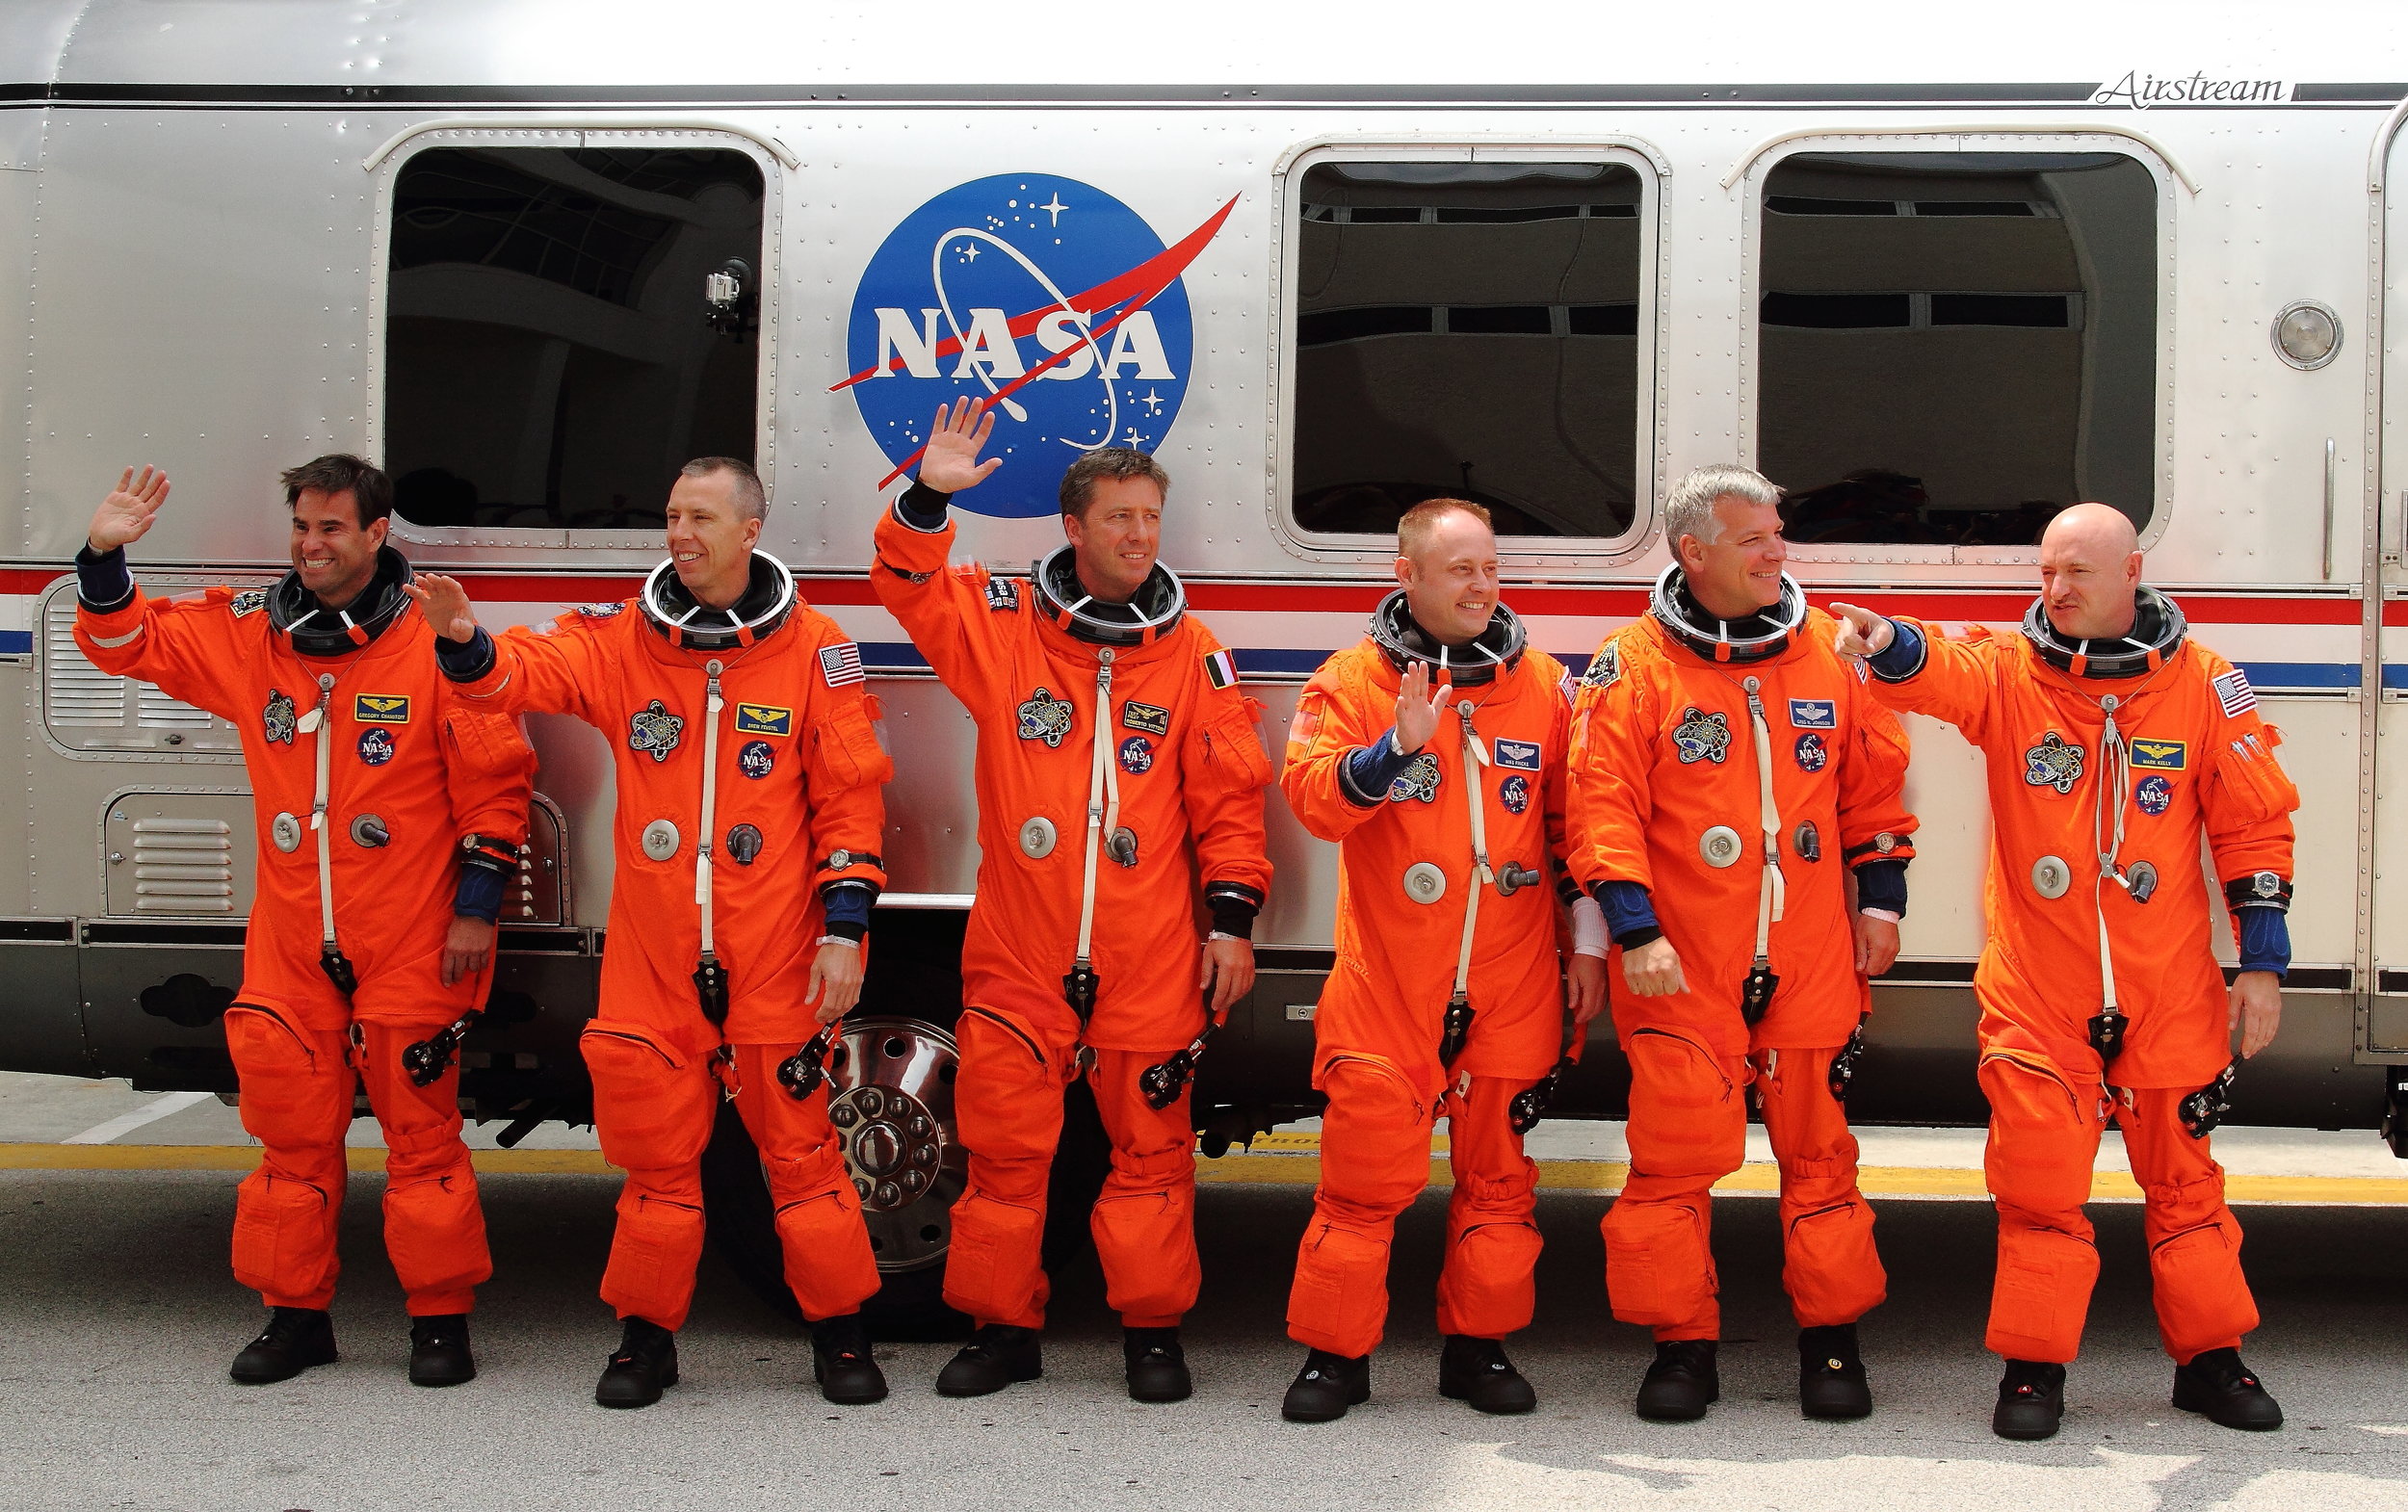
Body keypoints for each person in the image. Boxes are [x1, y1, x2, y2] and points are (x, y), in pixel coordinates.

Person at [408, 457, 891, 1409]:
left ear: (750, 528)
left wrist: (846, 930)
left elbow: (850, 799)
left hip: (776, 948)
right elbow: (527, 672)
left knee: (801, 1157)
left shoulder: (815, 649)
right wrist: (466, 641)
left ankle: (839, 1336)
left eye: (700, 516)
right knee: (655, 1161)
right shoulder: (627, 638)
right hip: (655, 954)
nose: (679, 532)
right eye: (671, 514)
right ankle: (645, 1340)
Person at [1831, 501, 2296, 1440]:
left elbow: (2253, 824)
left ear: (2130, 573)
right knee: (2039, 1185)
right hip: (2040, 990)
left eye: (2074, 573)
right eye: (2044, 572)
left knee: (2185, 1185)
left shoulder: (2206, 685)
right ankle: (2033, 1370)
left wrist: (2261, 965)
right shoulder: (2012, 674)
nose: (2053, 590)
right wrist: (1884, 640)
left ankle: (2211, 1362)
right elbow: (1936, 671)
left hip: (2166, 987)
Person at [75, 457, 535, 1388]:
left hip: (410, 930)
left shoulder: (435, 641)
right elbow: (130, 646)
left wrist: (477, 914)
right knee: (290, 1137)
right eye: (301, 527)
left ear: (377, 534)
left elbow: (497, 787)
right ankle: (295, 1319)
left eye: (332, 528)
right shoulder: (253, 634)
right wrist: (102, 556)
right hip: (292, 934)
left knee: (423, 1139)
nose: (311, 545)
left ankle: (439, 1322)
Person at [873, 400, 1273, 1402]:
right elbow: (906, 586)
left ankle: (1151, 1331)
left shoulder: (1192, 654)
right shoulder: (1004, 632)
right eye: (1120, 518)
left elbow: (1229, 800)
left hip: (1148, 952)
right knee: (1005, 1155)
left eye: (1150, 519)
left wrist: (1229, 923)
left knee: (1150, 1154)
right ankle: (1001, 1329)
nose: (1139, 536)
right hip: (1020, 949)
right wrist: (928, 493)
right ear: (1074, 526)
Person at [1567, 464, 1917, 1422]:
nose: (1777, 551)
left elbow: (1872, 788)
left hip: (1804, 951)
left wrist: (1880, 904)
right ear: (1694, 553)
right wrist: (1631, 931)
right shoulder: (1631, 665)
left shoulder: (1823, 654)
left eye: (1776, 532)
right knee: (1673, 1160)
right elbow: (1600, 811)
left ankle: (1832, 1344)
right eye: (1754, 538)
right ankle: (1681, 1344)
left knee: (1820, 1159)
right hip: (1679, 959)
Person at [1274, 499, 1610, 1422]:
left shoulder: (1540, 683)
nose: (1481, 585)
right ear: (1407, 577)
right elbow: (1312, 801)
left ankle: (1479, 1351)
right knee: (1362, 1177)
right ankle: (1335, 1357)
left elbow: (1570, 829)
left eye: (1490, 568)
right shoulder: (1350, 680)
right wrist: (1393, 751)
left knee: (1499, 1180)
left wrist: (1586, 946)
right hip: (1391, 978)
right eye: (1459, 569)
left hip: (1510, 975)